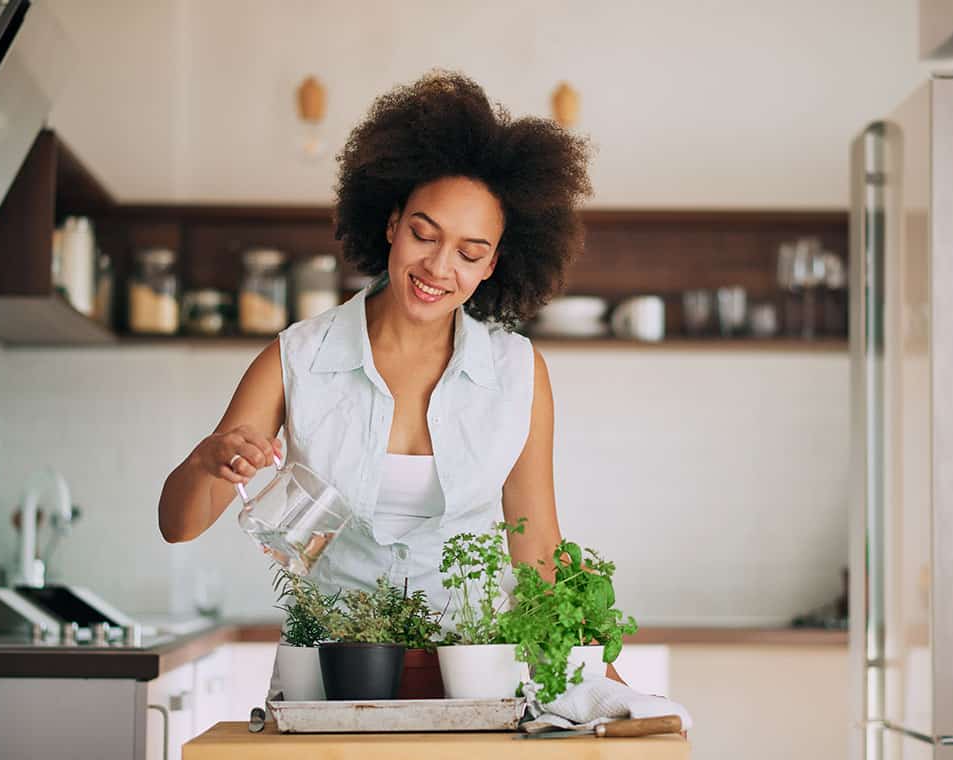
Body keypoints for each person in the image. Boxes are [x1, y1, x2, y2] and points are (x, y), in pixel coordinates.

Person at [157, 70, 614, 685]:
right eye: (424, 233)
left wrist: (602, 683)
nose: (438, 266)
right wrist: (210, 460)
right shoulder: (297, 357)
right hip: (331, 677)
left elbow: (537, 551)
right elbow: (178, 526)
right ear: (392, 222)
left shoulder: (519, 373)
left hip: (473, 678)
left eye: (469, 252)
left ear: (494, 265)